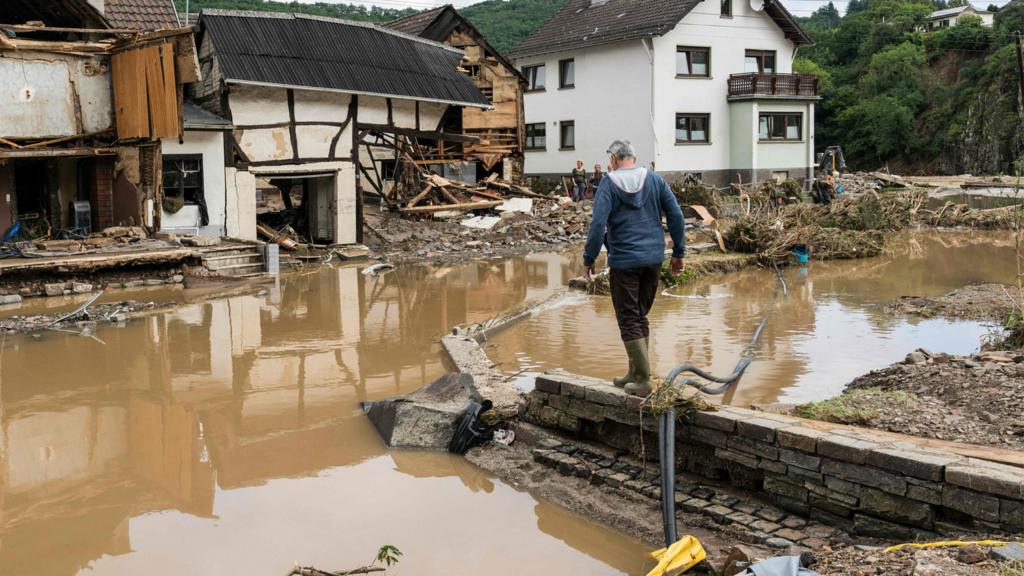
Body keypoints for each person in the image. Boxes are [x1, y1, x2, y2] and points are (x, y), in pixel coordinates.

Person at [582, 140, 685, 396]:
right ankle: (636, 372)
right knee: (639, 316)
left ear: (614, 160)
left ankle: (643, 381)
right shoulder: (654, 180)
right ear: (634, 158)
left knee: (628, 319)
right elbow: (676, 216)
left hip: (625, 261)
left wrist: (588, 258)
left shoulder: (608, 182)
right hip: (653, 258)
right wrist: (679, 253)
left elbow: (597, 226)